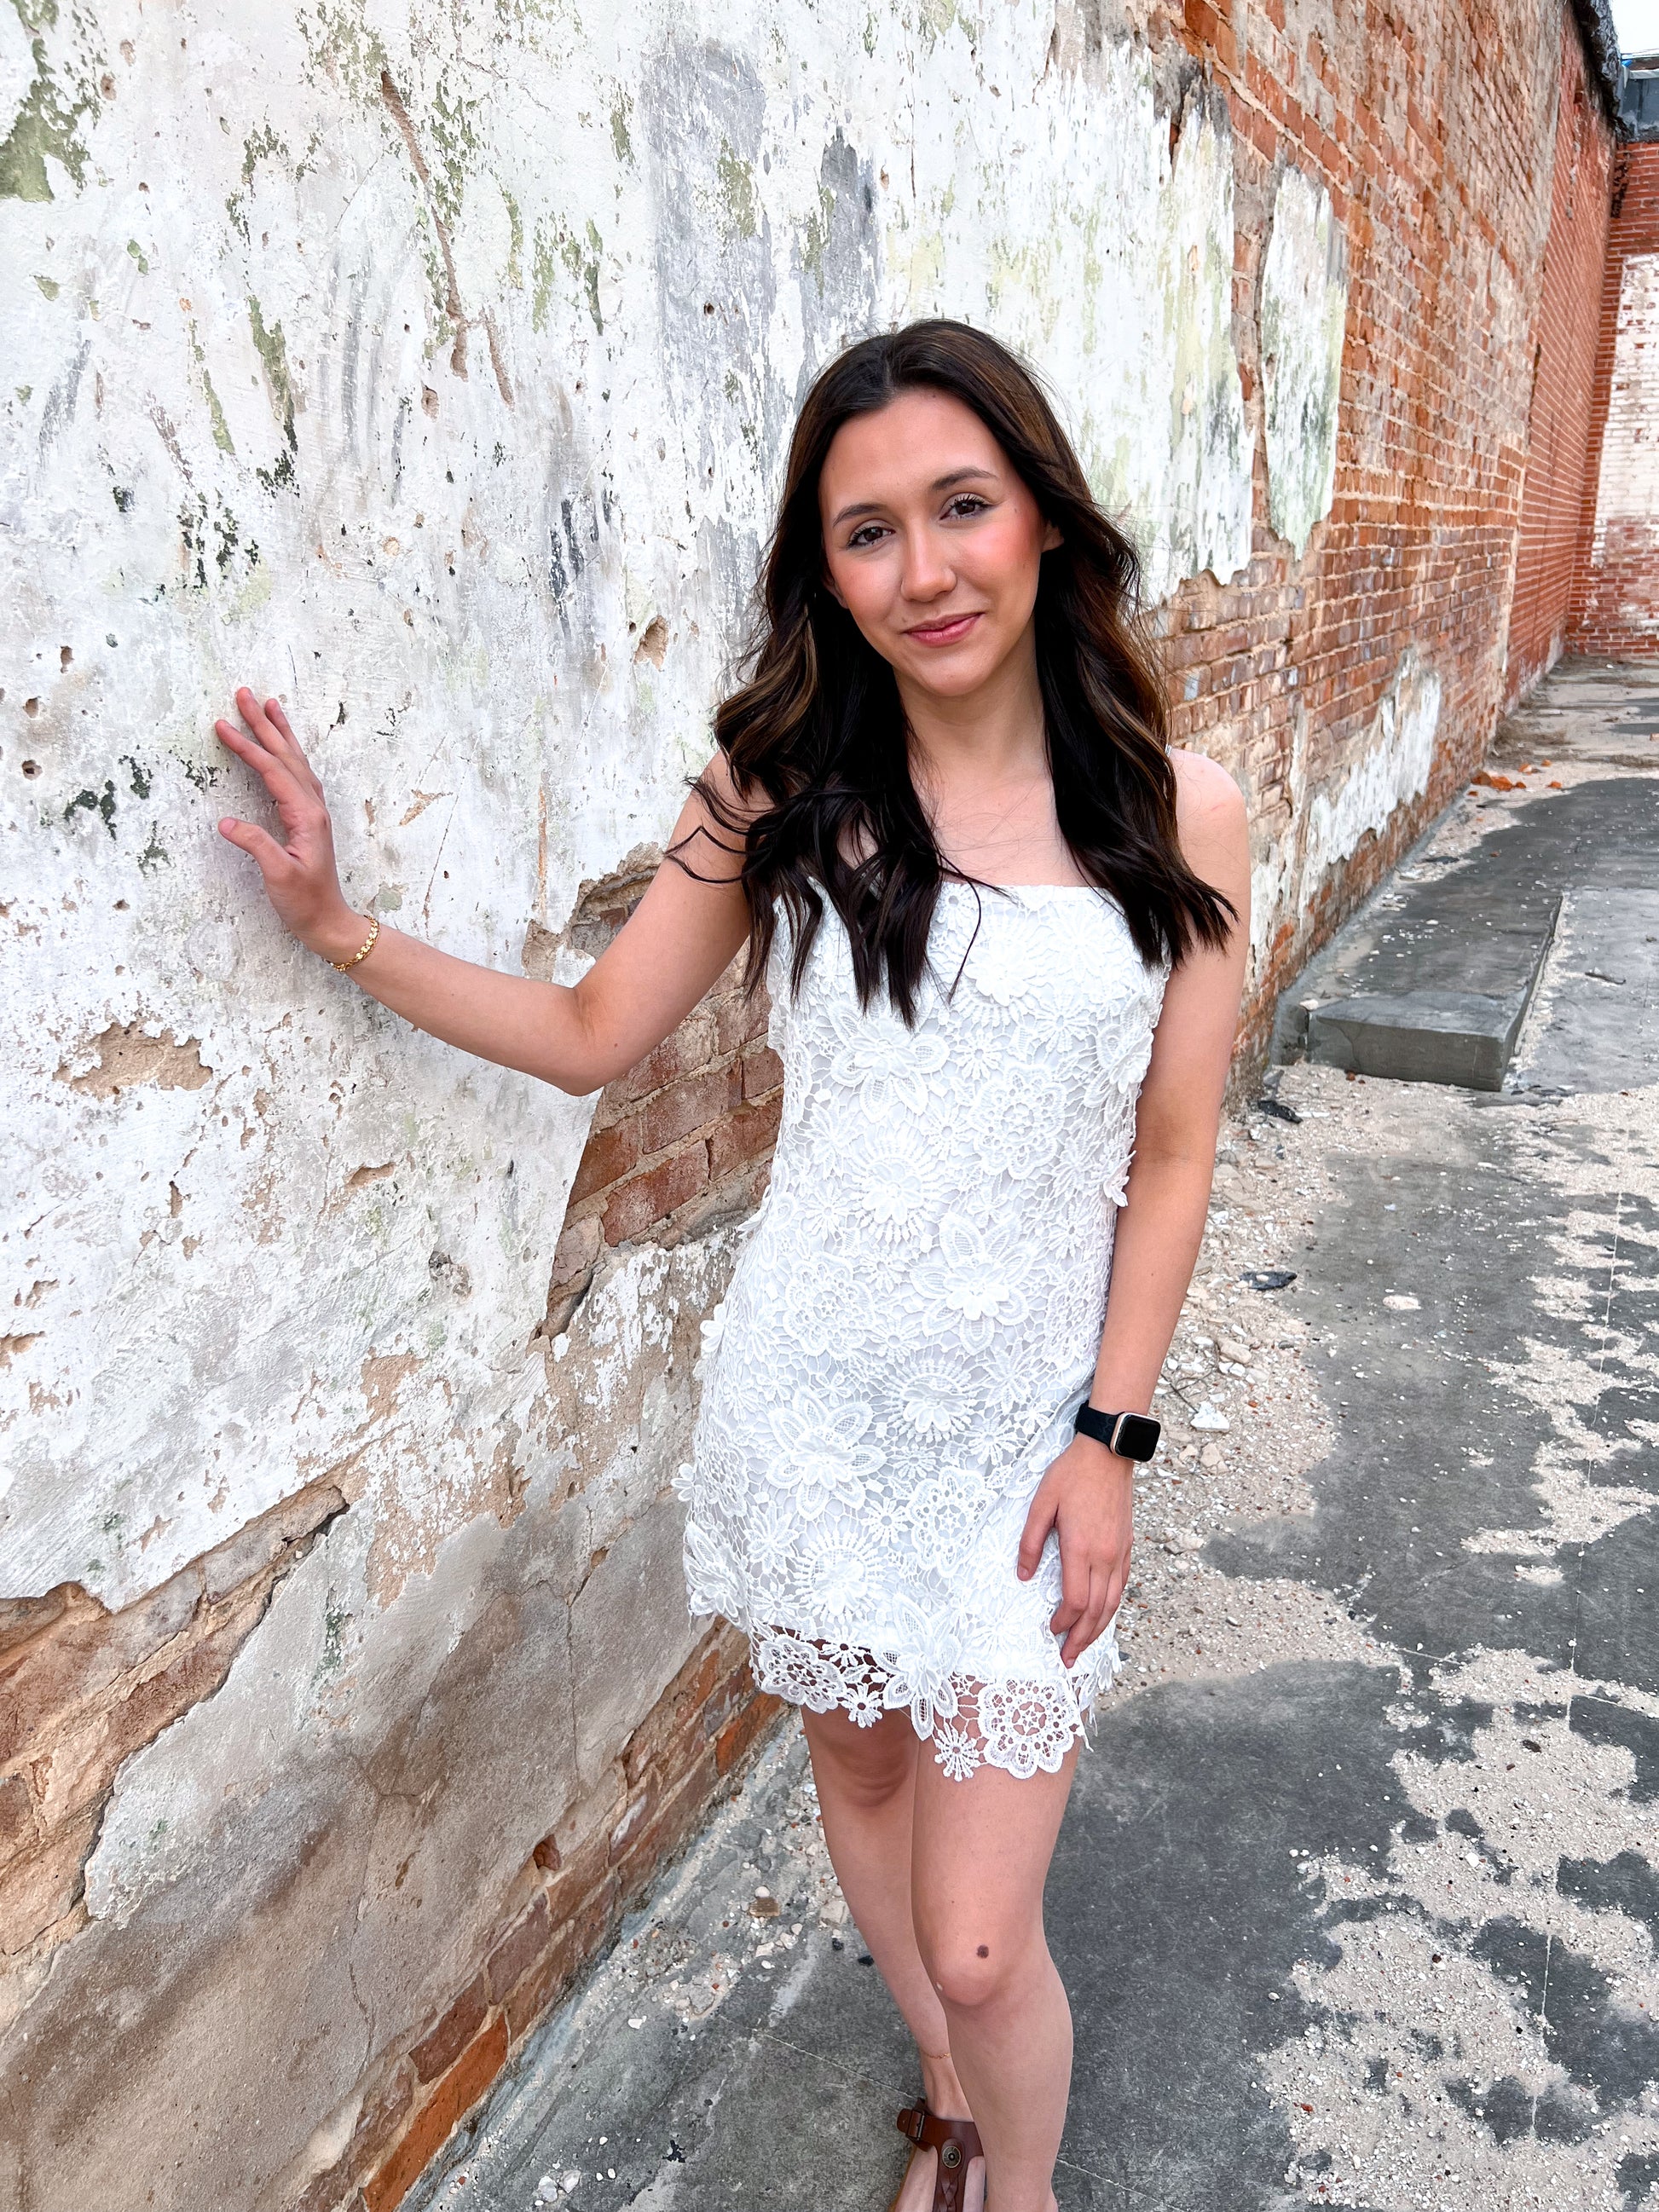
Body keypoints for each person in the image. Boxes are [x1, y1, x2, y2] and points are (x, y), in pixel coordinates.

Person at [215, 319, 1248, 2212]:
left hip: (1026, 1443)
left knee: (983, 1940)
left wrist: (1112, 1434)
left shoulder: (1182, 815)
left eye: (960, 506)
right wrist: (340, 926)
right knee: (862, 1781)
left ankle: (1016, 2185)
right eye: (867, 532)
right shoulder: (778, 792)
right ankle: (947, 2108)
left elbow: (1170, 1156)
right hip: (814, 1413)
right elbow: (591, 1031)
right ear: (823, 575)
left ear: (1041, 517)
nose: (923, 568)